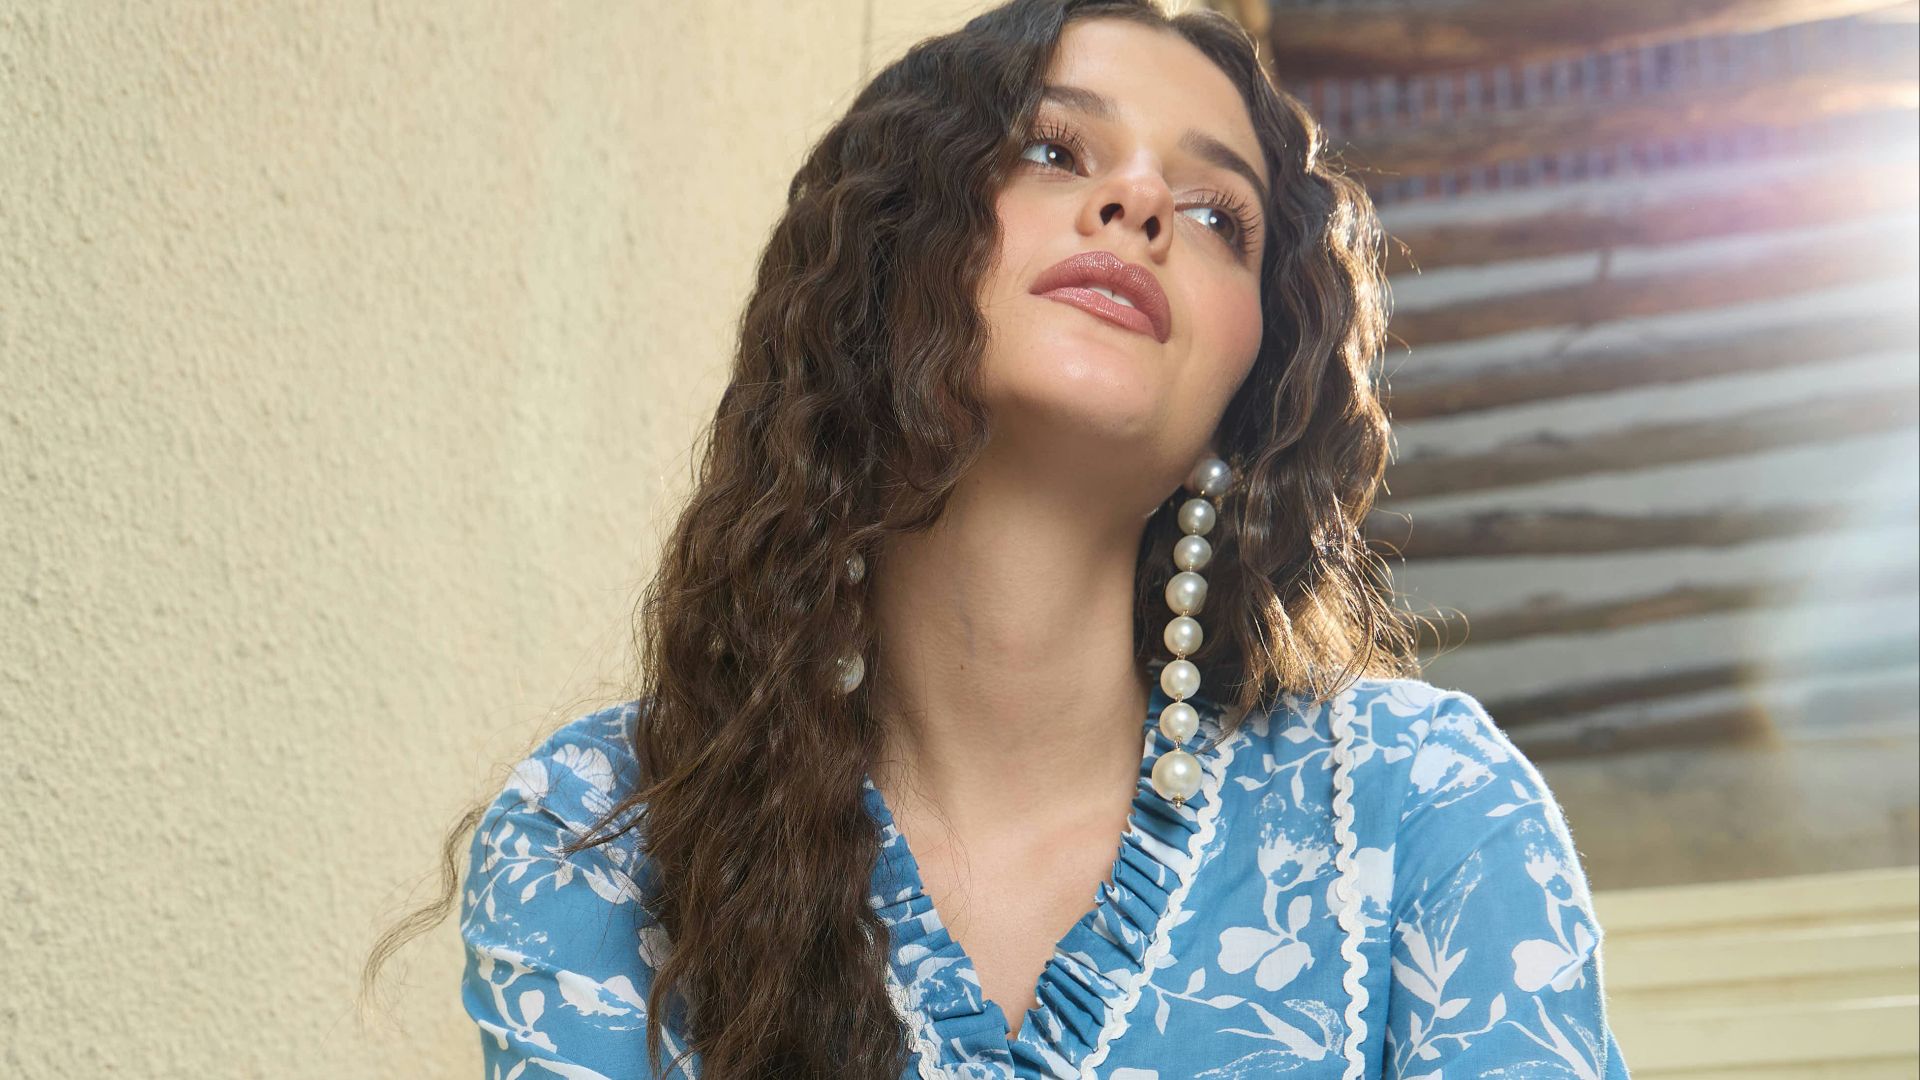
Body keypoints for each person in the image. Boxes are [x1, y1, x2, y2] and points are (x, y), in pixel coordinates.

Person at [369, 0, 1634, 1075]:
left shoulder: (1420, 811)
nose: (1139, 202)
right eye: (1051, 148)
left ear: (1254, 383)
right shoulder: (602, 834)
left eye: (1216, 216)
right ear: (888, 250)